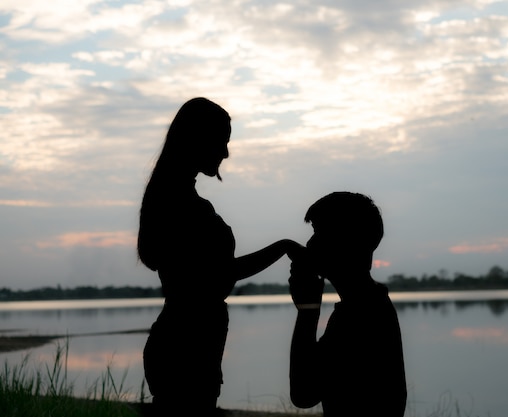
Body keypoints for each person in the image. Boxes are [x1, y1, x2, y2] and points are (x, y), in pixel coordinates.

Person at [137, 97, 299, 416]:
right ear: (198, 139)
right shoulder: (182, 205)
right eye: (222, 141)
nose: (225, 152)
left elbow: (215, 274)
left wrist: (283, 247)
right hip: (186, 350)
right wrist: (282, 247)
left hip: (186, 345)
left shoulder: (174, 198)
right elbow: (219, 276)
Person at [288, 191, 407, 417]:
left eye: (318, 232)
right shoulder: (367, 303)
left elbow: (303, 394)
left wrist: (307, 310)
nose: (309, 243)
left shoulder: (361, 313)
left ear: (343, 241)